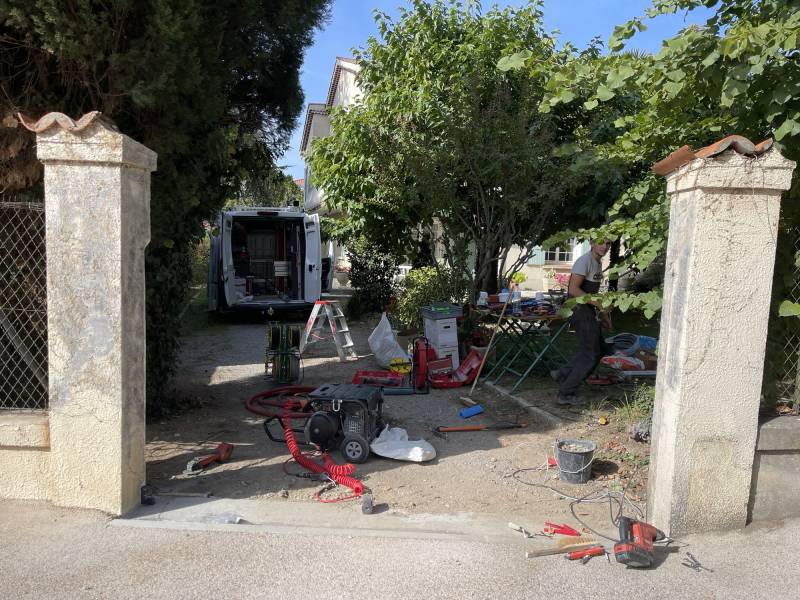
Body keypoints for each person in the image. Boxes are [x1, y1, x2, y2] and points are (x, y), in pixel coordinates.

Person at [551, 239, 612, 405]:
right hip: (579, 310)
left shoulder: (596, 262)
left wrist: (602, 313)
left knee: (600, 349)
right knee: (590, 354)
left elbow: (590, 293)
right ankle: (565, 393)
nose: (605, 246)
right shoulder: (584, 260)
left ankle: (563, 374)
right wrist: (599, 305)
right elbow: (573, 290)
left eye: (608, 243)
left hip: (588, 310)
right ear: (592, 243)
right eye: (601, 242)